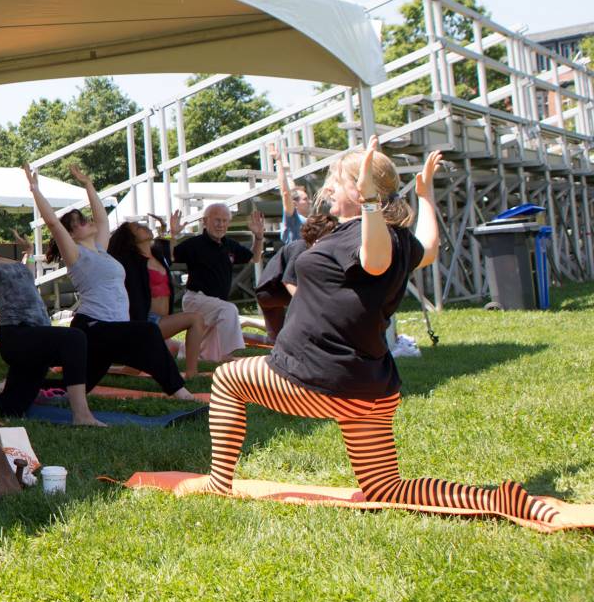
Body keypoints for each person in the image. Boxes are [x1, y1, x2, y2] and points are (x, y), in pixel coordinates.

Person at [195, 144, 554, 525]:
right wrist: (426, 197)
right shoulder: (395, 238)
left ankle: (219, 482)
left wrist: (368, 198)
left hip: (315, 377)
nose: (328, 188)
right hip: (370, 388)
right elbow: (429, 249)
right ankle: (493, 499)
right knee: (386, 488)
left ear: (361, 190)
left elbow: (375, 261)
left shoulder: (371, 240)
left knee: (227, 378)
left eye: (337, 181)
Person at [30, 165, 199, 402]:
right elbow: (53, 224)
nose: (87, 221)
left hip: (112, 328)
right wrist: (35, 190)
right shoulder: (76, 255)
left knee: (73, 389)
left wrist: (88, 184)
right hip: (93, 326)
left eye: (83, 217)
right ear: (71, 235)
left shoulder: (100, 250)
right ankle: (181, 393)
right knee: (149, 332)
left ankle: (16, 385)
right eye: (79, 221)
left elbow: (101, 217)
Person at [0, 218, 101, 427]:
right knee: (74, 338)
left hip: (37, 335)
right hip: (17, 336)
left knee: (12, 407)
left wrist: (29, 252)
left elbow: (25, 283)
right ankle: (82, 415)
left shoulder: (11, 262)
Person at [106, 218, 206, 380]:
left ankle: (104, 368)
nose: (143, 226)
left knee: (133, 370)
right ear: (130, 238)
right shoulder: (128, 261)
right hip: (146, 322)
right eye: (137, 227)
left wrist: (172, 233)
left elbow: (169, 250)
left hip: (161, 320)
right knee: (195, 319)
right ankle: (191, 373)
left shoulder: (157, 255)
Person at [171, 203, 266, 362]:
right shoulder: (195, 244)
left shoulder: (230, 244)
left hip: (216, 302)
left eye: (224, 221)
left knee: (211, 353)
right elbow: (171, 257)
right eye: (217, 220)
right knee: (229, 310)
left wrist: (258, 237)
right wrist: (172, 235)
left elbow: (254, 258)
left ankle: (185, 355)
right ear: (205, 221)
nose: (221, 225)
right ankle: (227, 356)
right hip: (196, 299)